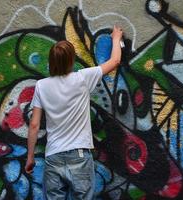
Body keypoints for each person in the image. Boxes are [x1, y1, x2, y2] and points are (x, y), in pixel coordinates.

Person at [25, 25, 123, 200]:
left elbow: (34, 125)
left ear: (51, 61)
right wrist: (116, 38)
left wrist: (30, 157)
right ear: (71, 60)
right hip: (78, 155)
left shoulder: (42, 86)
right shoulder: (82, 78)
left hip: (53, 155)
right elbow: (115, 61)